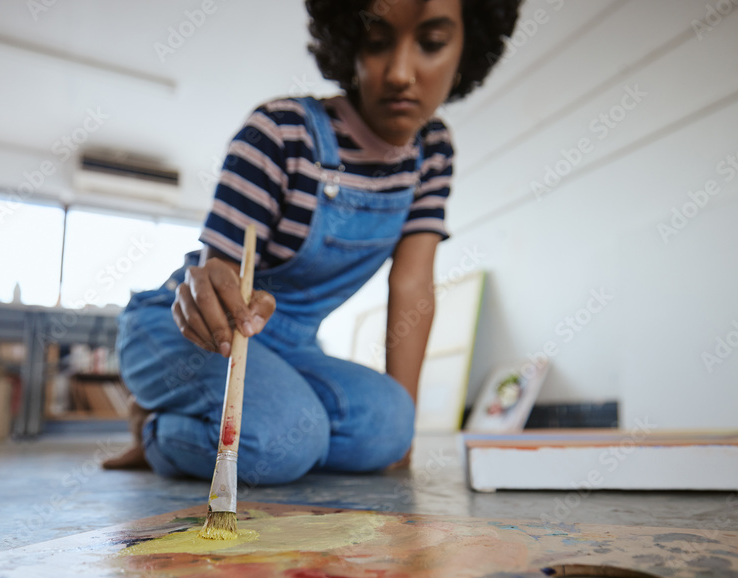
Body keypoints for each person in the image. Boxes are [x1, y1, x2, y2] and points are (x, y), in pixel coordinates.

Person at [106, 0, 519, 484]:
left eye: (431, 44)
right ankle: (155, 429)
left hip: (291, 347)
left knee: (388, 427)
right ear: (348, 42)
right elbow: (218, 275)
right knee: (282, 442)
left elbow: (412, 283)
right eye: (378, 42)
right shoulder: (281, 131)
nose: (401, 73)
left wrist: (402, 437)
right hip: (194, 331)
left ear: (470, 46)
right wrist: (214, 285)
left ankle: (258, 418)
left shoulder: (432, 152)